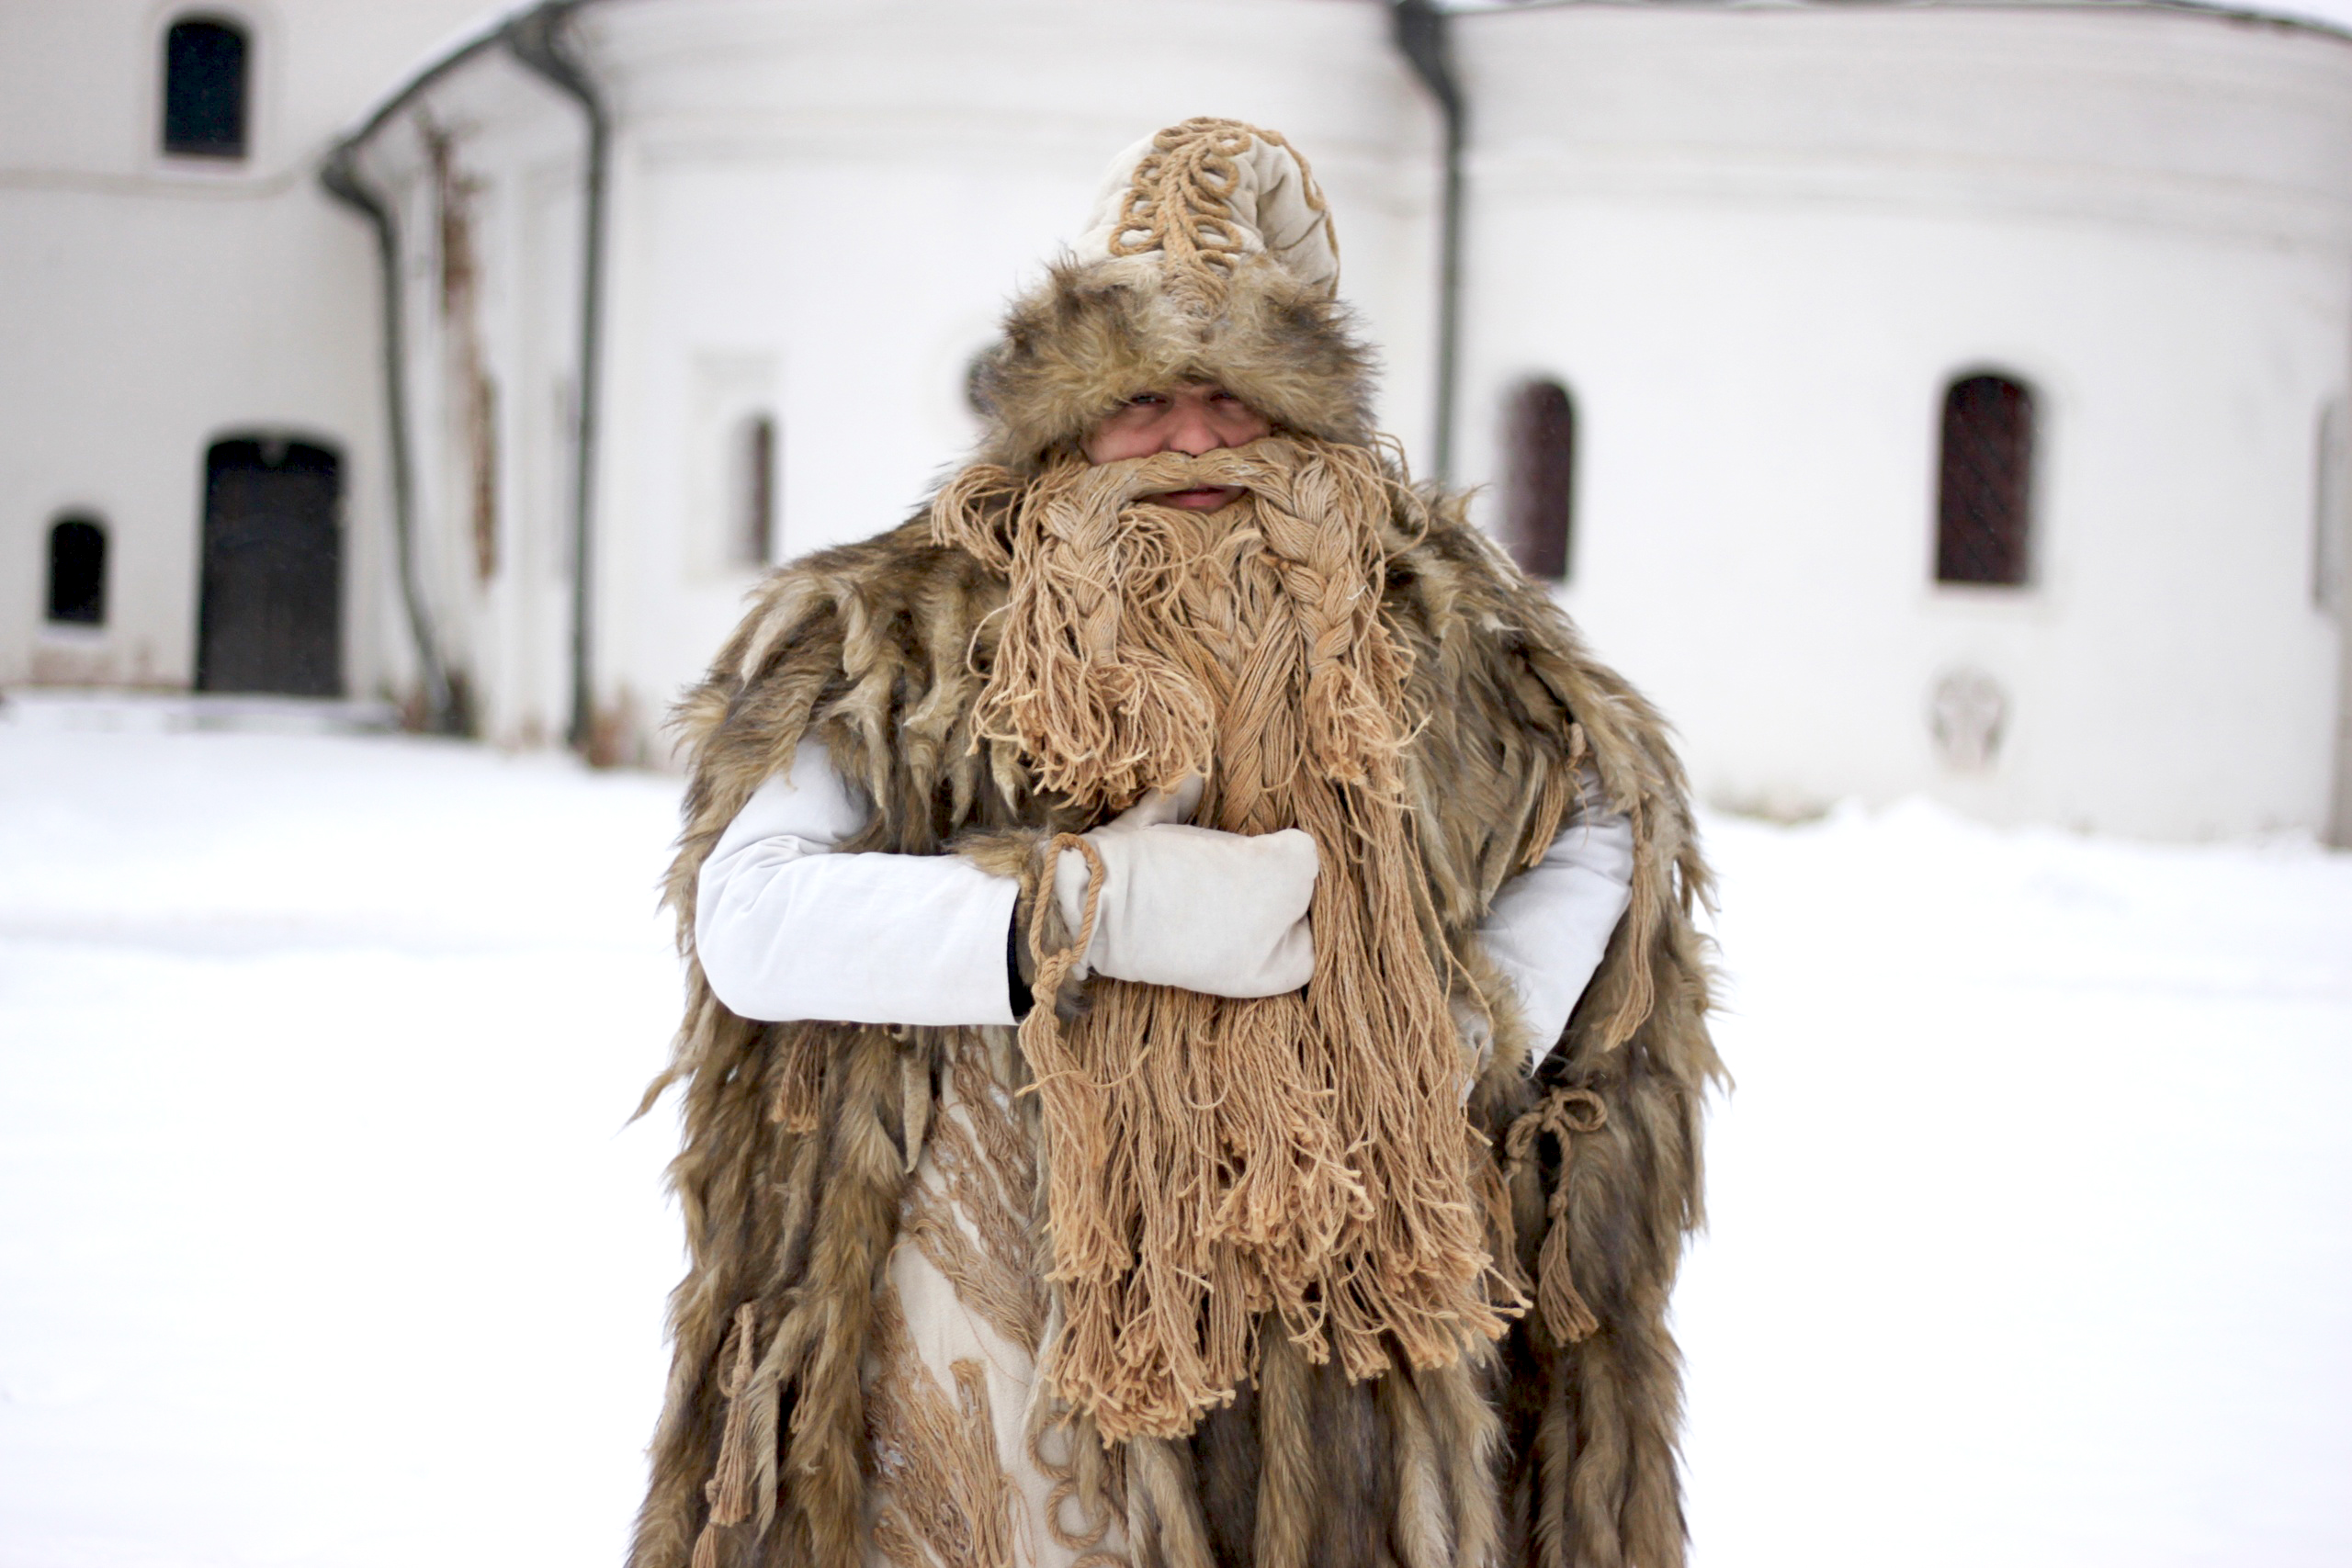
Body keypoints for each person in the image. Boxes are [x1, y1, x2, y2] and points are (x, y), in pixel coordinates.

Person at [630, 118, 1720, 1568]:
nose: (1192, 438)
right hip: (969, 1343)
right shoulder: (901, 628)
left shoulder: (1444, 637)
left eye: (1236, 395)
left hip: (1335, 1358)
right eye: (1142, 396)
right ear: (1066, 413)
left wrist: (1462, 1022)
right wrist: (1089, 909)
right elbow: (751, 924)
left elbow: (1607, 809)